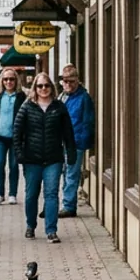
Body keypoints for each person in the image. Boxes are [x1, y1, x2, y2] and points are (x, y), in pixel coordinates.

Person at [13, 70, 75, 243]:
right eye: (40, 86)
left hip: (53, 159)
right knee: (31, 194)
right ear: (35, 87)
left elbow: (68, 133)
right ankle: (30, 225)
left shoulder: (59, 107)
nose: (43, 89)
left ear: (51, 87)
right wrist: (19, 154)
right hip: (31, 160)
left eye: (46, 85)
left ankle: (51, 230)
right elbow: (17, 133)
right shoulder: (26, 107)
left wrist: (71, 154)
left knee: (52, 194)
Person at [57, 63, 94, 217]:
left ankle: (68, 205)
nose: (68, 84)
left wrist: (82, 142)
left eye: (71, 81)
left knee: (71, 173)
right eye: (65, 81)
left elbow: (87, 122)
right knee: (65, 172)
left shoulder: (84, 98)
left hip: (76, 141)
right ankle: (68, 202)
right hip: (62, 141)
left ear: (77, 80)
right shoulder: (62, 97)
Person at [0, 68, 26, 205]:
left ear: (16, 80)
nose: (9, 82)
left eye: (11, 79)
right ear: (2, 81)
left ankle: (12, 194)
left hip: (16, 137)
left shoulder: (21, 96)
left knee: (14, 165)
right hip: (0, 137)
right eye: (6, 79)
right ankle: (0, 193)